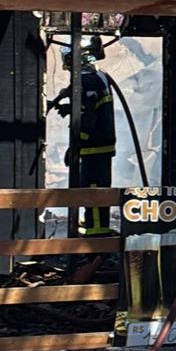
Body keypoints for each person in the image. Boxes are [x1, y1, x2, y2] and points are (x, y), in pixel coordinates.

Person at [49, 39, 116, 236]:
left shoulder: (86, 80)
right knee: (97, 191)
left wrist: (76, 145)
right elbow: (93, 106)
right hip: (101, 146)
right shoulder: (100, 77)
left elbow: (89, 116)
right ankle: (96, 233)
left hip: (92, 147)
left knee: (92, 191)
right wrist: (70, 107)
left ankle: (95, 239)